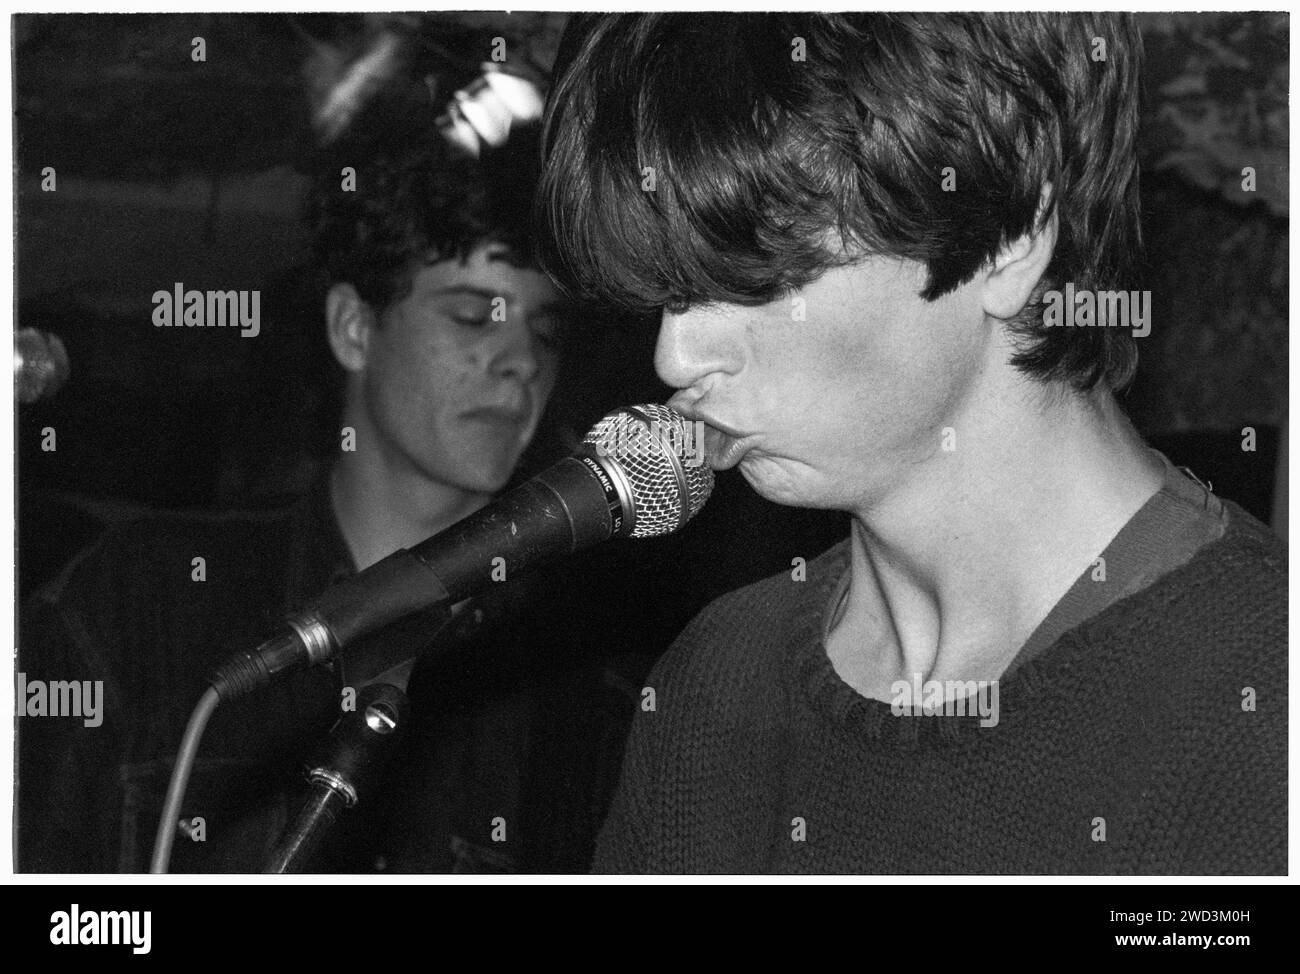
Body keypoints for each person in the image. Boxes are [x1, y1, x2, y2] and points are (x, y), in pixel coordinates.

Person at [536, 12, 1286, 873]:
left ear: (1007, 237)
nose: (676, 355)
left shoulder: (1260, 707)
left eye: (751, 275)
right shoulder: (717, 684)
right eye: (668, 289)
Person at [17, 73, 583, 872]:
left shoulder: (575, 688)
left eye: (546, 330)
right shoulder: (139, 604)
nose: (520, 361)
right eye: (471, 315)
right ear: (353, 326)